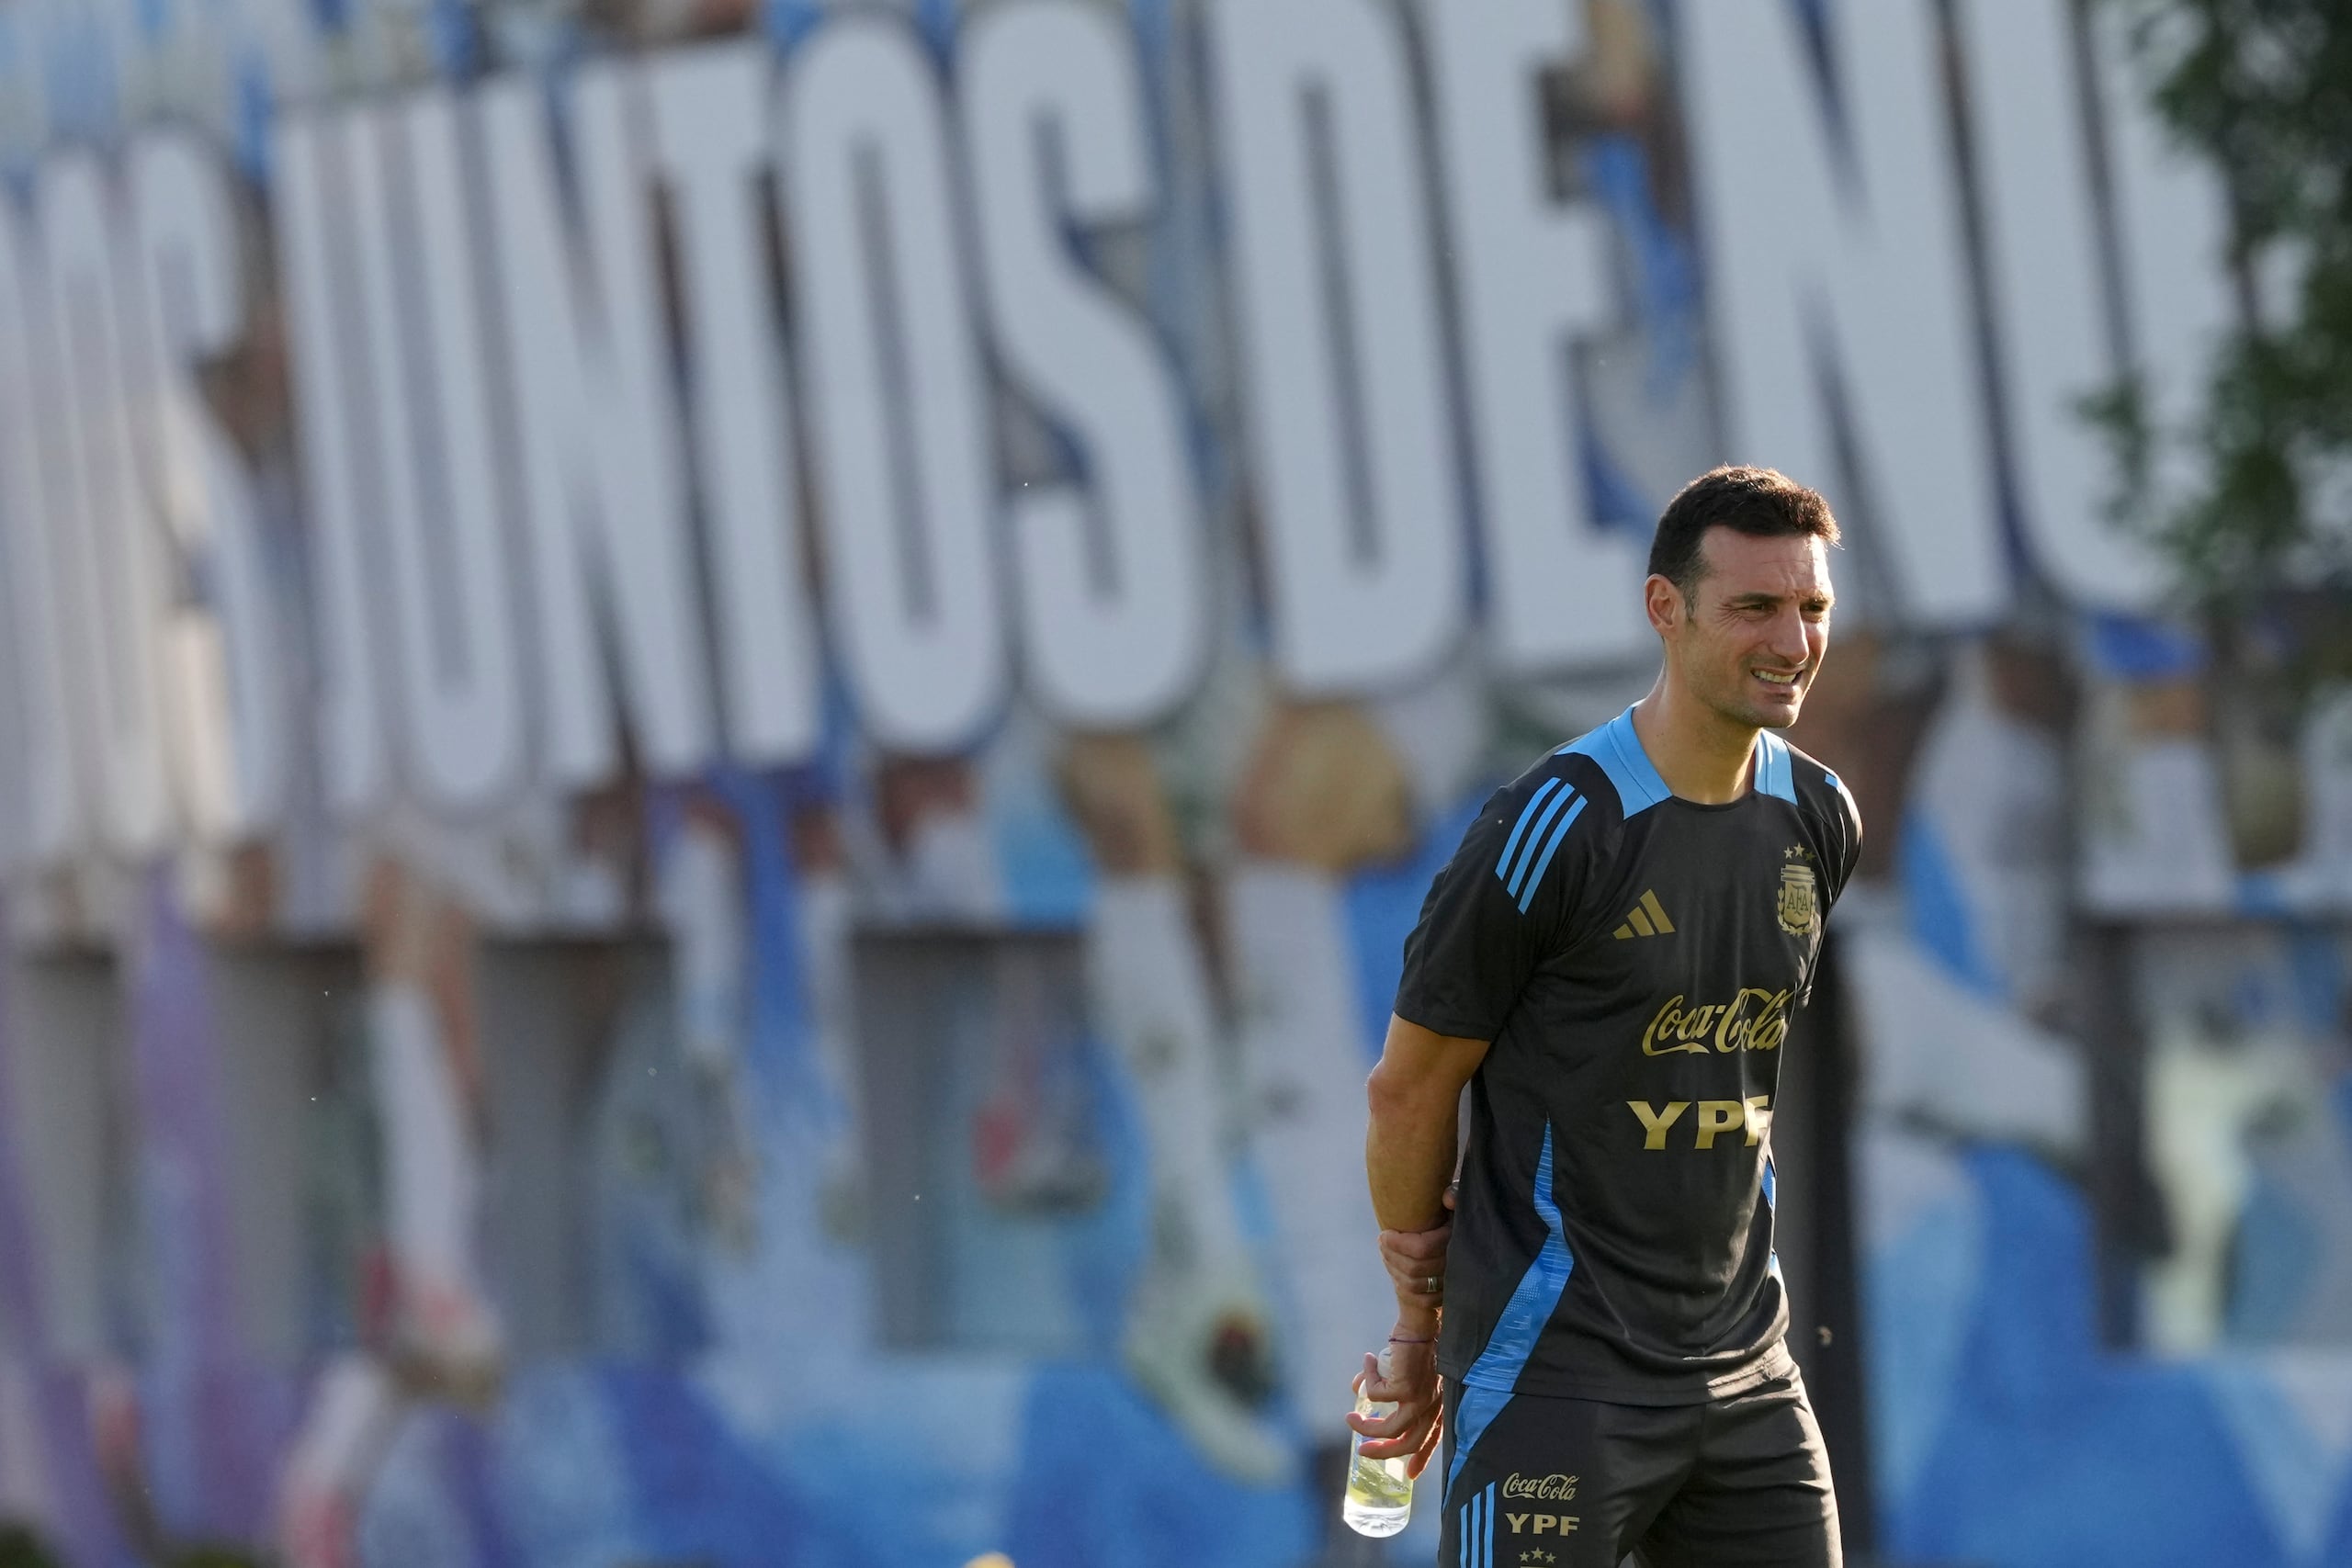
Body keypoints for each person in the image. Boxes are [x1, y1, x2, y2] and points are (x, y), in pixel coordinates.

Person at [1351, 467, 1860, 1566]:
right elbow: (1408, 1086)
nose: (1793, 641)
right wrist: (1416, 1320)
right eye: (1755, 608)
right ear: (1663, 610)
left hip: (1749, 1379)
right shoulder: (1552, 827)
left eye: (1811, 607)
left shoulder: (1819, 817)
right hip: (1556, 1377)